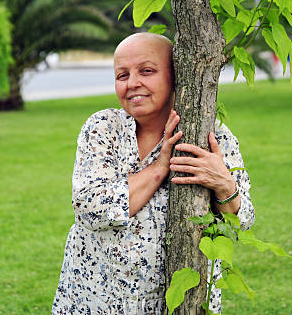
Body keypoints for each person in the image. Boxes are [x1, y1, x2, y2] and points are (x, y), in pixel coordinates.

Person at [52, 33, 255, 314]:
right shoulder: (103, 128)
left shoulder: (212, 136)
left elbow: (241, 221)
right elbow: (91, 209)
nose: (132, 83)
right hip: (96, 298)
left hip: (168, 303)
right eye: (122, 75)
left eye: (147, 71)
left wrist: (223, 183)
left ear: (176, 77)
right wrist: (159, 168)